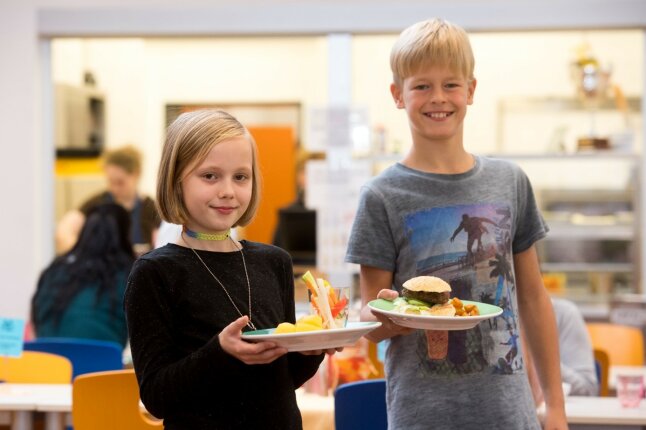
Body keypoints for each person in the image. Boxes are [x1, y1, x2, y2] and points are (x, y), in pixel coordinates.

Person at [345, 18, 567, 429]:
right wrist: (385, 318)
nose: (438, 98)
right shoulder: (380, 195)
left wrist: (554, 407)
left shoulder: (509, 181)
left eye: (451, 84)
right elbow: (370, 318)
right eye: (422, 86)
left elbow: (534, 299)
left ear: (471, 90)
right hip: (422, 415)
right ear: (398, 95)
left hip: (509, 414)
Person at [124, 109, 335, 429]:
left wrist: (311, 349)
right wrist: (220, 353)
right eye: (210, 176)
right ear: (176, 180)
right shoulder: (155, 273)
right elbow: (156, 397)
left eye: (241, 177)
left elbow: (284, 379)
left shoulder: (274, 262)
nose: (228, 191)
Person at [31, 203, 134, 348]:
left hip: (50, 365)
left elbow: (36, 323)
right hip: (102, 366)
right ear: (125, 236)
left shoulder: (53, 271)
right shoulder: (128, 275)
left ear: (84, 231)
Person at [55, 144, 161, 255]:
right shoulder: (97, 204)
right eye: (111, 182)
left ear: (136, 174)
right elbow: (63, 232)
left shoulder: (151, 208)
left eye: (120, 183)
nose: (115, 189)